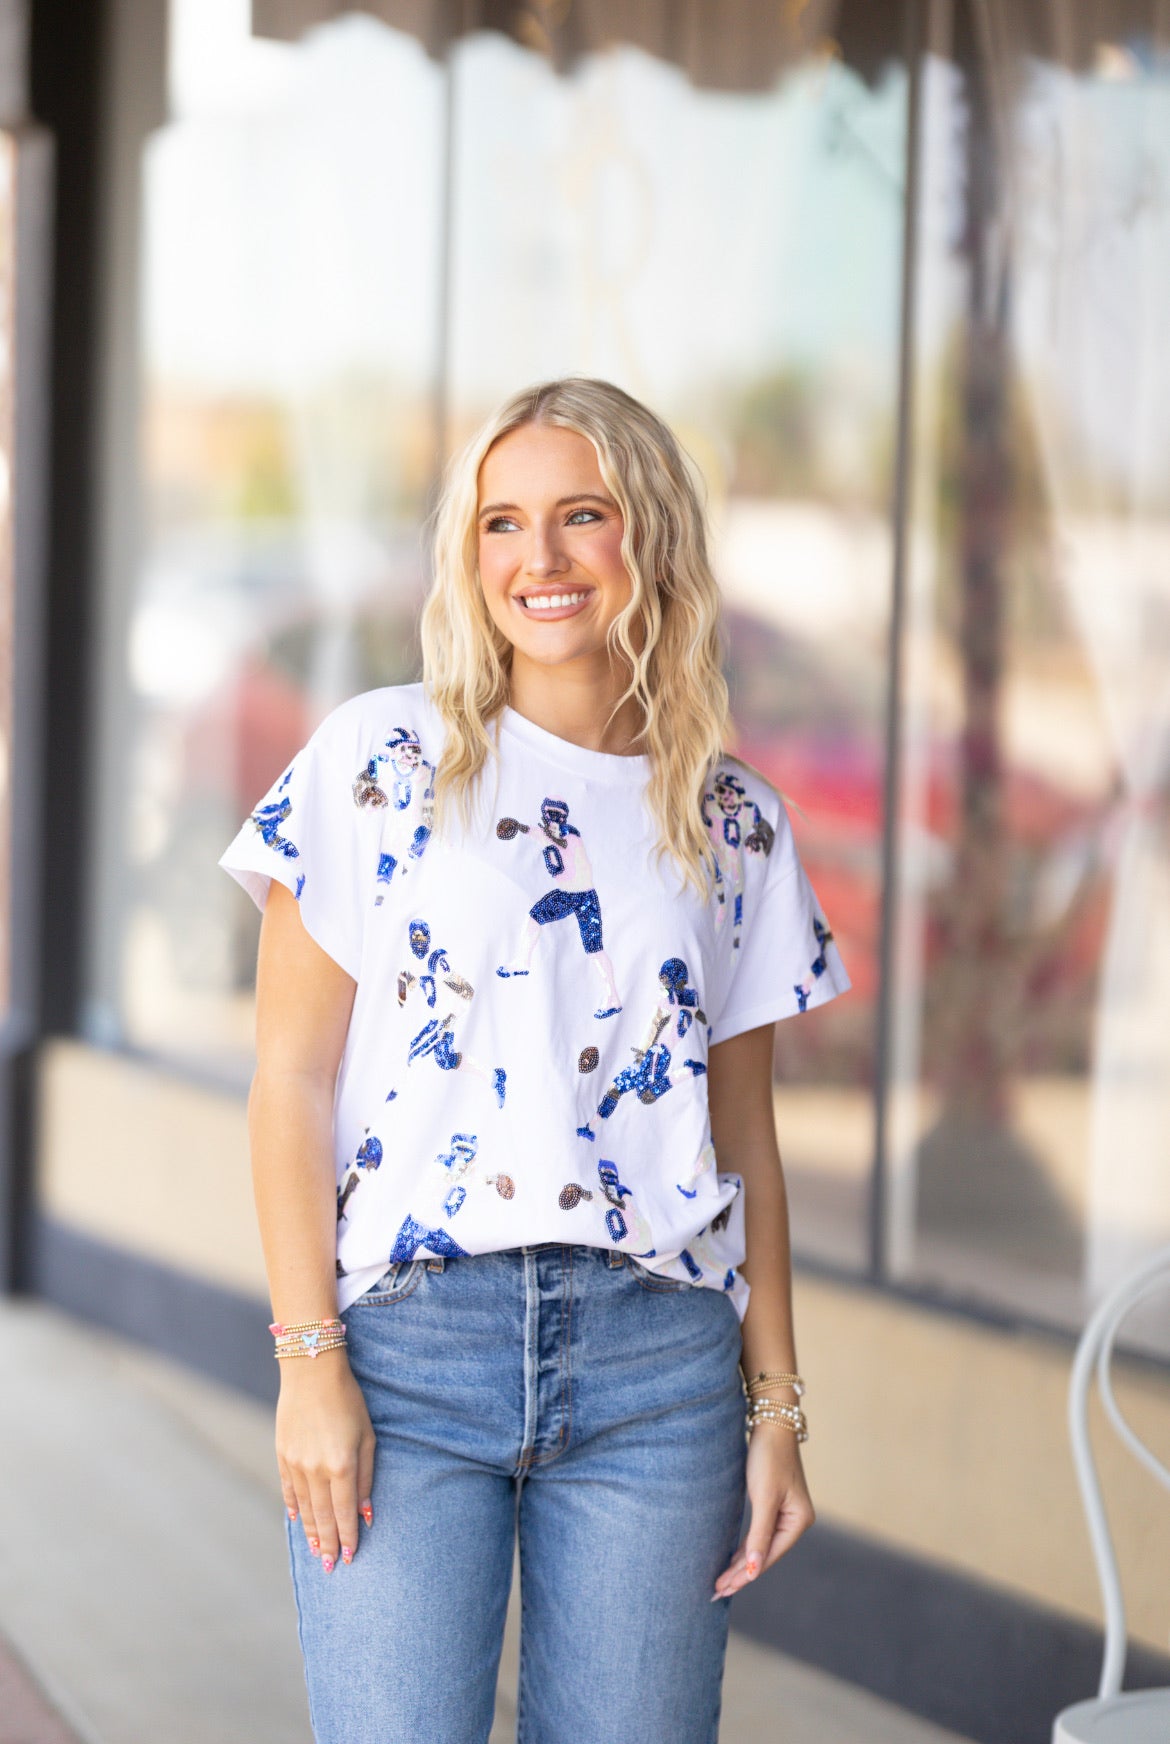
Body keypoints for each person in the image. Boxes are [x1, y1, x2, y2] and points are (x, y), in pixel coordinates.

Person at [218, 376, 850, 1744]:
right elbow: (289, 1084)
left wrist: (776, 1404)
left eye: (581, 516)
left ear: (650, 539)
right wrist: (306, 1362)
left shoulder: (732, 819)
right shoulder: (381, 761)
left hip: (659, 1373)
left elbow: (743, 1141)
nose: (539, 559)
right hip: (406, 1353)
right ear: (467, 554)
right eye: (501, 523)